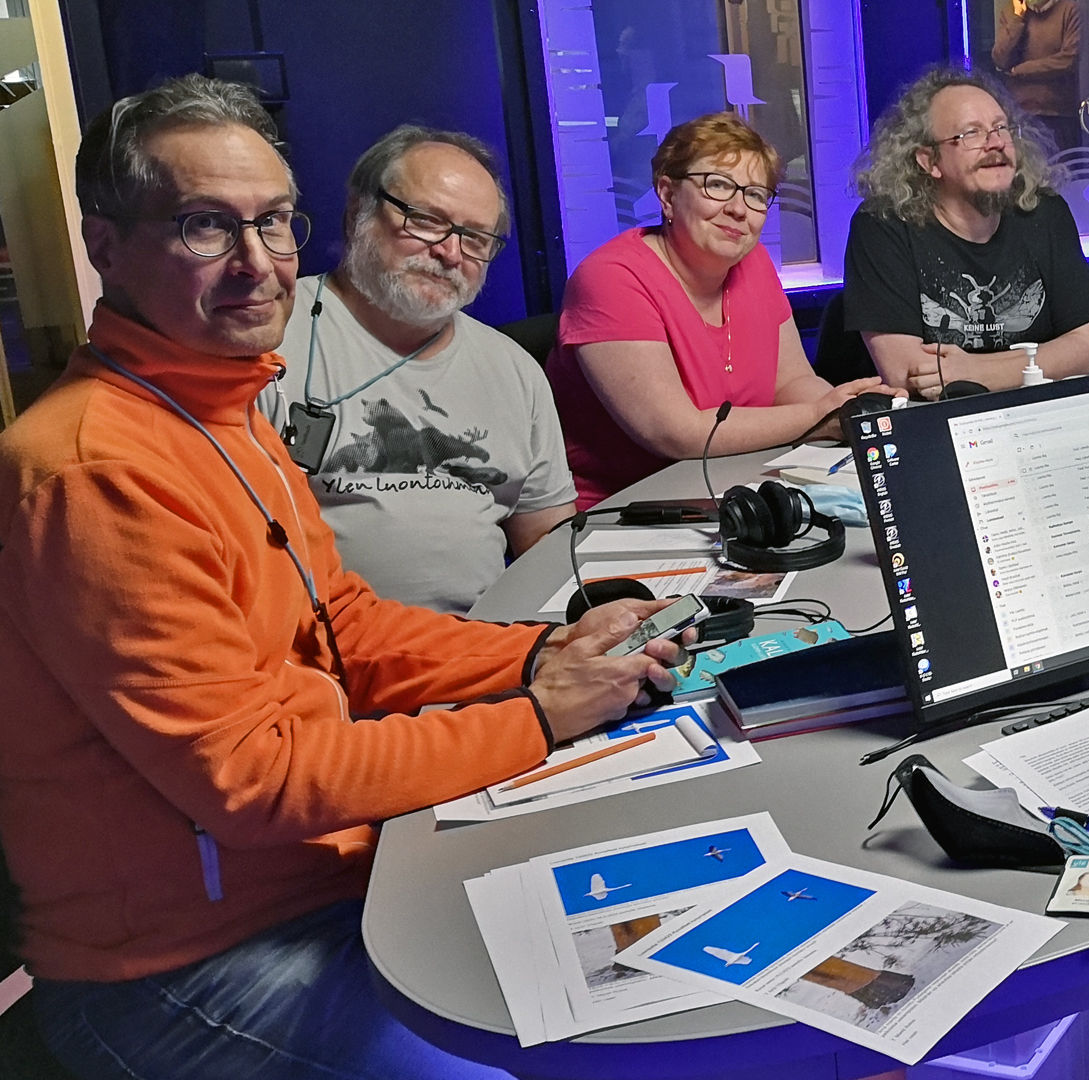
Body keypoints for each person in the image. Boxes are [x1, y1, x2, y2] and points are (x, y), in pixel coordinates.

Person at [0, 75, 692, 1080]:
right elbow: (256, 780)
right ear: (105, 243)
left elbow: (347, 626)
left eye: (273, 222)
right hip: (182, 965)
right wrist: (541, 715)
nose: (257, 263)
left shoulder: (223, 407)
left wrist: (540, 652)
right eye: (206, 224)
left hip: (332, 876)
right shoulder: (95, 470)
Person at [258, 125, 576, 613]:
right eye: (426, 221)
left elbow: (547, 543)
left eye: (475, 237)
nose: (450, 252)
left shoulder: (514, 369)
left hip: (487, 644)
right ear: (358, 213)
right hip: (318, 645)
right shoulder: (268, 335)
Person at [545, 112, 892, 508]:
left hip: (739, 486)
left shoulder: (754, 264)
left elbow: (791, 382)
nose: (739, 209)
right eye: (718, 185)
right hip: (625, 512)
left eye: (755, 194)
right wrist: (819, 417)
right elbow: (675, 433)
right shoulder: (610, 279)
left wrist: (849, 410)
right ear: (667, 194)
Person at [844, 67, 1089, 399]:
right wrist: (1040, 363)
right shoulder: (882, 225)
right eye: (971, 133)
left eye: (1001, 128)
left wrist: (976, 372)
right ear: (929, 161)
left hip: (1039, 413)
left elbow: (1088, 349)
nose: (995, 143)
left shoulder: (1045, 212)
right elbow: (910, 376)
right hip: (939, 421)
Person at [990, 0, 1083, 152]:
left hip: (1058, 114)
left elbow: (1069, 60)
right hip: (1020, 114)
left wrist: (1021, 70)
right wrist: (1017, 18)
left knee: (1061, 165)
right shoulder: (1012, 12)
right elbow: (1000, 59)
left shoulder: (1069, 8)